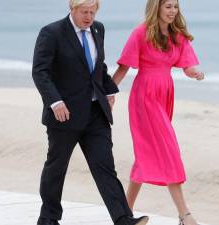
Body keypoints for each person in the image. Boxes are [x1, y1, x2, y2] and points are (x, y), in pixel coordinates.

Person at [32, 0, 149, 225]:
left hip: (96, 113)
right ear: (72, 9)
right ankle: (48, 219)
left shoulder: (98, 29)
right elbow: (40, 72)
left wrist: (108, 90)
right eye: (84, 12)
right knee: (56, 168)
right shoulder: (52, 32)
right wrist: (55, 102)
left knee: (105, 166)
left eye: (92, 13)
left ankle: (123, 219)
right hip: (64, 114)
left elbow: (97, 67)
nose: (88, 17)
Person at [112, 0, 204, 225]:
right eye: (168, 6)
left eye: (175, 7)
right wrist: (108, 93)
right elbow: (124, 66)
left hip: (164, 95)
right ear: (157, 8)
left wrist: (194, 73)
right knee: (168, 149)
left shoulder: (177, 35)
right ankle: (185, 215)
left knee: (145, 154)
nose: (173, 11)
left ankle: (124, 214)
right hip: (145, 96)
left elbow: (187, 64)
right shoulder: (140, 33)